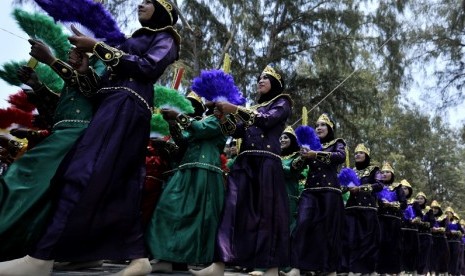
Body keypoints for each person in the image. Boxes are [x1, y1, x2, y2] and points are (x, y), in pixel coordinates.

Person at [0, 0, 180, 275]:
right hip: (111, 106)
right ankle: (129, 256)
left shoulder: (166, 37)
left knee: (79, 172)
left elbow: (148, 68)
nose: (140, 5)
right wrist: (85, 69)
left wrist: (96, 47)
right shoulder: (132, 40)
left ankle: (41, 258)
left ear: (165, 10)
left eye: (148, 2)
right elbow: (98, 90)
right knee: (118, 182)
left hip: (126, 106)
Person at [0, 45, 105, 262]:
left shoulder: (100, 66)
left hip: (77, 136)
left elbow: (93, 89)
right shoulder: (73, 80)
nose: (71, 53)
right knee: (45, 192)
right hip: (61, 135)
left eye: (77, 50)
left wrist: (51, 60)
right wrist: (38, 86)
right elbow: (57, 111)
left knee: (23, 176)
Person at [190, 65, 292, 276]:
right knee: (231, 209)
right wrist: (221, 116)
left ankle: (272, 268)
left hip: (267, 163)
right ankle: (219, 265)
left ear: (277, 83)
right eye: (259, 78)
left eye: (266, 77)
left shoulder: (283, 102)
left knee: (268, 214)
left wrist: (234, 110)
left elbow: (266, 121)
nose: (260, 80)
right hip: (244, 162)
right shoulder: (252, 107)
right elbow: (235, 131)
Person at [146, 91, 227, 272]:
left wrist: (179, 116)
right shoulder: (204, 119)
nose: (207, 95)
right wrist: (173, 123)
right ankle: (170, 258)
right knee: (168, 208)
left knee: (196, 218)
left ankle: (196, 261)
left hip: (204, 172)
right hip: (186, 171)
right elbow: (183, 142)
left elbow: (202, 130)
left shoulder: (221, 120)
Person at [285, 113, 346, 276]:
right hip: (310, 191)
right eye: (317, 125)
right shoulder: (310, 145)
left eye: (323, 125)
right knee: (302, 226)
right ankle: (297, 268)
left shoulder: (337, 143)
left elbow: (340, 157)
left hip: (330, 191)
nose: (318, 127)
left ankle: (329, 269)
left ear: (330, 128)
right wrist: (301, 155)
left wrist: (316, 154)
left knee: (328, 230)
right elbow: (295, 168)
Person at [340, 143, 383, 275]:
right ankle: (349, 268)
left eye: (361, 153)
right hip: (351, 209)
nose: (357, 155)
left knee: (366, 240)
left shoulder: (375, 170)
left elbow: (380, 185)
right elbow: (342, 188)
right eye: (356, 153)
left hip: (368, 209)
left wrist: (361, 188)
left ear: (367, 155)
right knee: (350, 238)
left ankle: (364, 269)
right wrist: (346, 187)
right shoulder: (350, 171)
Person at [376, 162, 407, 275]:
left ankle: (394, 271)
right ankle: (380, 271)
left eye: (387, 172)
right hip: (380, 219)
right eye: (382, 172)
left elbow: (404, 204)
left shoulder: (398, 187)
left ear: (392, 174)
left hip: (394, 220)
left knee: (394, 245)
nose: (384, 174)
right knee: (380, 243)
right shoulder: (377, 186)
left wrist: (391, 204)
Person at [414, 192, 433, 275]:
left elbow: (432, 222)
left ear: (425, 200)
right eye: (418, 198)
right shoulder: (413, 208)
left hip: (426, 235)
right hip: (415, 234)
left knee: (424, 255)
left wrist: (423, 223)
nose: (419, 200)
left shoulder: (429, 210)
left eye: (421, 198)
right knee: (415, 254)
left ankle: (422, 273)